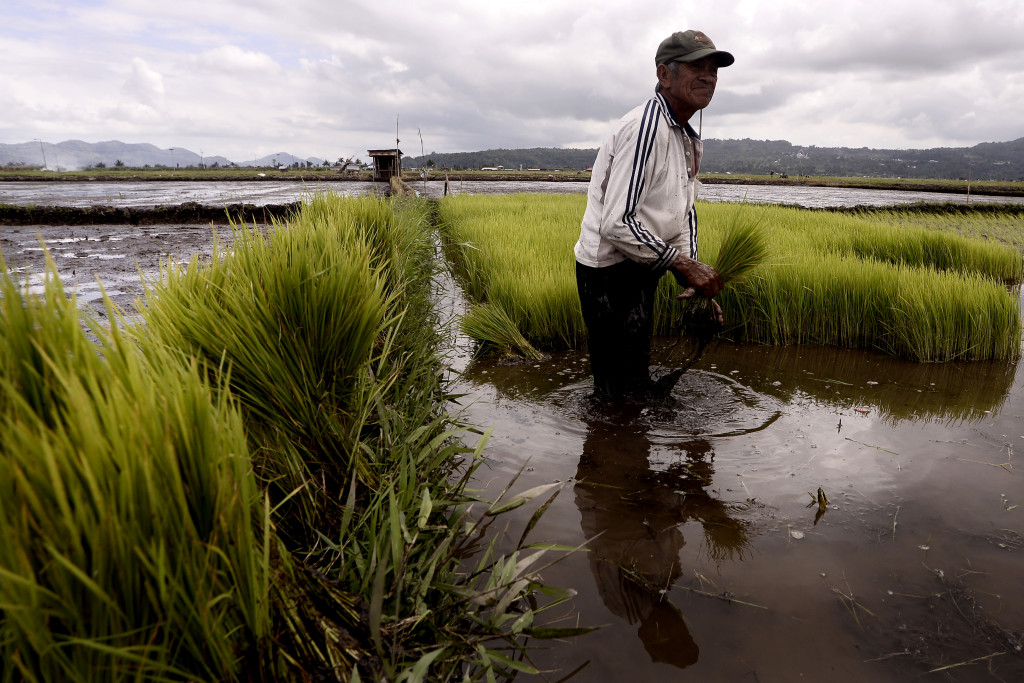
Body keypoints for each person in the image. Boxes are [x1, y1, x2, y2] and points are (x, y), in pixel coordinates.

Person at [574, 30, 734, 398]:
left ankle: (624, 444)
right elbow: (617, 222)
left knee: (635, 372)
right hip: (607, 272)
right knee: (616, 386)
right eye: (696, 66)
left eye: (713, 68)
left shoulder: (685, 136)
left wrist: (692, 273)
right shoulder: (645, 128)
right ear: (665, 75)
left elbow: (682, 208)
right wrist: (682, 265)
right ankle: (610, 447)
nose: (708, 76)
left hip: (644, 262)